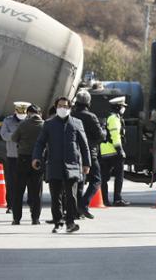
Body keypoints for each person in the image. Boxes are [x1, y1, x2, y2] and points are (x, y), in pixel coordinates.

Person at [32, 97, 90, 233]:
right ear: (56, 107)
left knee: (71, 196)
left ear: (70, 108)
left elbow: (84, 145)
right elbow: (40, 143)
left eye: (65, 106)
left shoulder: (77, 123)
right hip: (54, 165)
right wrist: (36, 157)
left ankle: (70, 223)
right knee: (56, 197)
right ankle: (57, 222)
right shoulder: (49, 124)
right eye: (60, 106)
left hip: (73, 166)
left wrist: (87, 163)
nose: (62, 108)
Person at [72, 90, 105, 219]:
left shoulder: (71, 116)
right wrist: (103, 130)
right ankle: (83, 204)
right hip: (90, 153)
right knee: (96, 180)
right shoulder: (91, 116)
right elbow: (100, 136)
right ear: (88, 102)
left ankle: (76, 211)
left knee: (79, 182)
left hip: (74, 152)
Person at [10, 104, 45, 225]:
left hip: (23, 159)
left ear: (29, 113)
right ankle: (35, 218)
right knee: (36, 191)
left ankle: (16, 218)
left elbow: (14, 138)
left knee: (19, 190)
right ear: (39, 114)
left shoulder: (23, 124)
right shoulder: (44, 125)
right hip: (38, 160)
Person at [0, 102, 30, 214]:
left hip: (26, 154)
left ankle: (28, 203)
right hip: (12, 155)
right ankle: (11, 205)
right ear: (15, 111)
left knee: (27, 181)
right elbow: (3, 134)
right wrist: (16, 136)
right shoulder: (8, 121)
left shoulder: (29, 120)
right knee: (12, 182)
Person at [100, 96, 130, 206]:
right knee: (119, 176)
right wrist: (120, 150)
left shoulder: (111, 117)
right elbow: (115, 135)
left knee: (104, 178)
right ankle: (117, 199)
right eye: (122, 106)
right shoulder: (114, 118)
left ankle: (104, 200)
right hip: (113, 151)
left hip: (106, 151)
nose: (124, 109)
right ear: (118, 107)